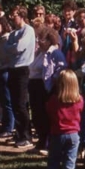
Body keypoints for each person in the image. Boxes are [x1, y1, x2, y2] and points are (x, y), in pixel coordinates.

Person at [41, 69, 84, 169]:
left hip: (57, 134)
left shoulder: (54, 100)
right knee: (69, 164)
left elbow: (48, 112)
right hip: (73, 135)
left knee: (53, 163)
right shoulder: (79, 100)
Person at [29, 26, 67, 154]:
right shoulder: (39, 52)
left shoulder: (55, 53)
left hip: (46, 88)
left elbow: (61, 69)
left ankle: (48, 144)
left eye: (42, 39)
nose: (39, 42)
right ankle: (40, 142)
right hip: (34, 85)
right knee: (37, 116)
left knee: (46, 116)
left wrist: (54, 82)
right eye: (38, 39)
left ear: (50, 40)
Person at [6, 5, 36, 149]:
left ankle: (26, 136)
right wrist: (12, 47)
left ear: (22, 16)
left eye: (14, 15)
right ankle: (19, 133)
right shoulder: (13, 33)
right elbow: (6, 49)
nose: (12, 17)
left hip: (23, 69)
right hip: (12, 69)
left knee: (21, 104)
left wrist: (12, 47)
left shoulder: (28, 30)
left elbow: (19, 48)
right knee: (14, 104)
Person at [0, 16, 15, 139]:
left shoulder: (7, 39)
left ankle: (9, 127)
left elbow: (7, 57)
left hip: (4, 71)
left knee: (7, 101)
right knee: (2, 101)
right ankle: (5, 125)